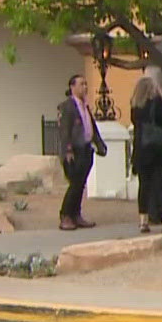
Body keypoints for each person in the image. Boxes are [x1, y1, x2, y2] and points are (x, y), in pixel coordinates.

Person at [56, 74, 109, 230]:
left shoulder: (84, 106)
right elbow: (64, 131)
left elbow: (91, 126)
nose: (85, 87)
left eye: (86, 84)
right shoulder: (67, 106)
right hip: (74, 151)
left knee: (81, 185)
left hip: (86, 149)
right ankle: (65, 215)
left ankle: (76, 214)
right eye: (81, 84)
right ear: (72, 87)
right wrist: (68, 150)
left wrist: (99, 144)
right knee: (75, 184)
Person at [129, 76, 162, 234]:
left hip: (143, 149)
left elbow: (137, 131)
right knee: (161, 184)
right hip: (159, 149)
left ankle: (143, 222)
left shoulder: (135, 107)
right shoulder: (157, 103)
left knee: (144, 186)